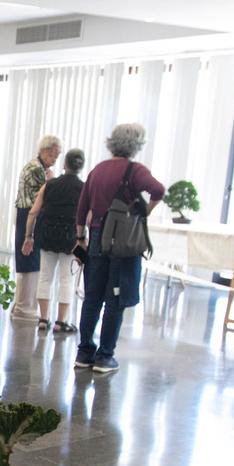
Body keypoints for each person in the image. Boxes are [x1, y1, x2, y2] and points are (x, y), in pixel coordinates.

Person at [73, 123, 164, 375]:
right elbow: (158, 190)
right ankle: (105, 356)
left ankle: (84, 352)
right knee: (115, 300)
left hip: (97, 238)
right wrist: (146, 211)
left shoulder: (97, 170)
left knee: (92, 297)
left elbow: (82, 207)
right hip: (122, 244)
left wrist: (81, 237)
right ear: (136, 145)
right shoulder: (135, 170)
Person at [21, 147, 86, 334]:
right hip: (70, 239)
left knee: (45, 277)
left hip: (47, 235)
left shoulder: (50, 185)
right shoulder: (83, 189)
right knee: (67, 279)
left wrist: (28, 237)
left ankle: (43, 319)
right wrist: (82, 240)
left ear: (64, 164)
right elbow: (85, 218)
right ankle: (60, 322)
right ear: (80, 167)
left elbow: (33, 212)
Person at [10, 138, 56, 321]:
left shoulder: (37, 167)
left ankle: (22, 305)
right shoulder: (36, 169)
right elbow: (43, 195)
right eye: (52, 155)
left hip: (27, 214)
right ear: (44, 151)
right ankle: (24, 308)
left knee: (29, 260)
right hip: (29, 216)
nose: (54, 159)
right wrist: (51, 181)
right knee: (29, 260)